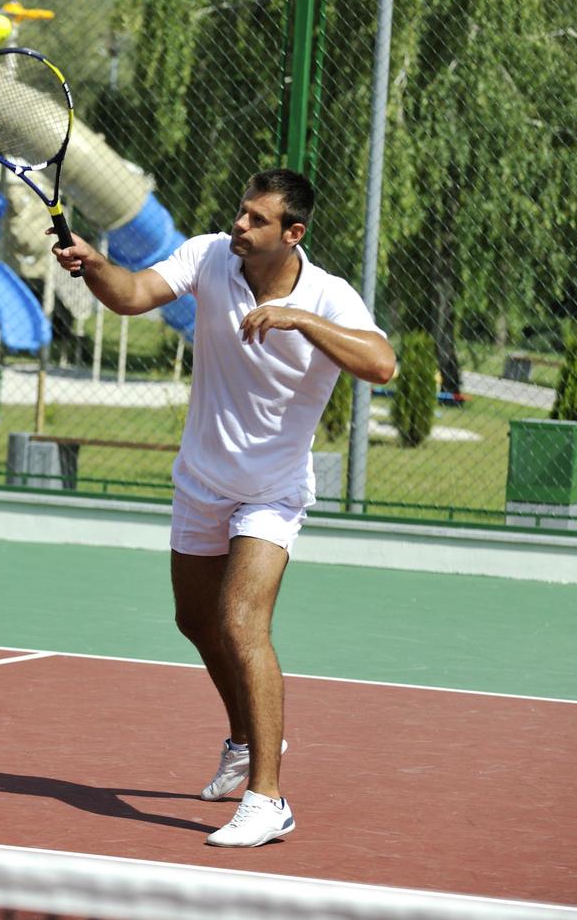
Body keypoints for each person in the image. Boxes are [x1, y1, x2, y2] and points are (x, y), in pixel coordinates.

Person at [51, 168, 396, 848]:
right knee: (194, 620)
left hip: (272, 491)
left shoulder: (330, 295)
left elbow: (382, 365)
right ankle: (242, 736)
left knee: (242, 622)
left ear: (292, 234)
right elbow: (132, 295)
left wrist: (300, 318)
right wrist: (94, 265)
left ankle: (269, 800)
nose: (240, 226)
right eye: (240, 212)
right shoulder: (208, 254)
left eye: (257, 220)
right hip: (202, 481)